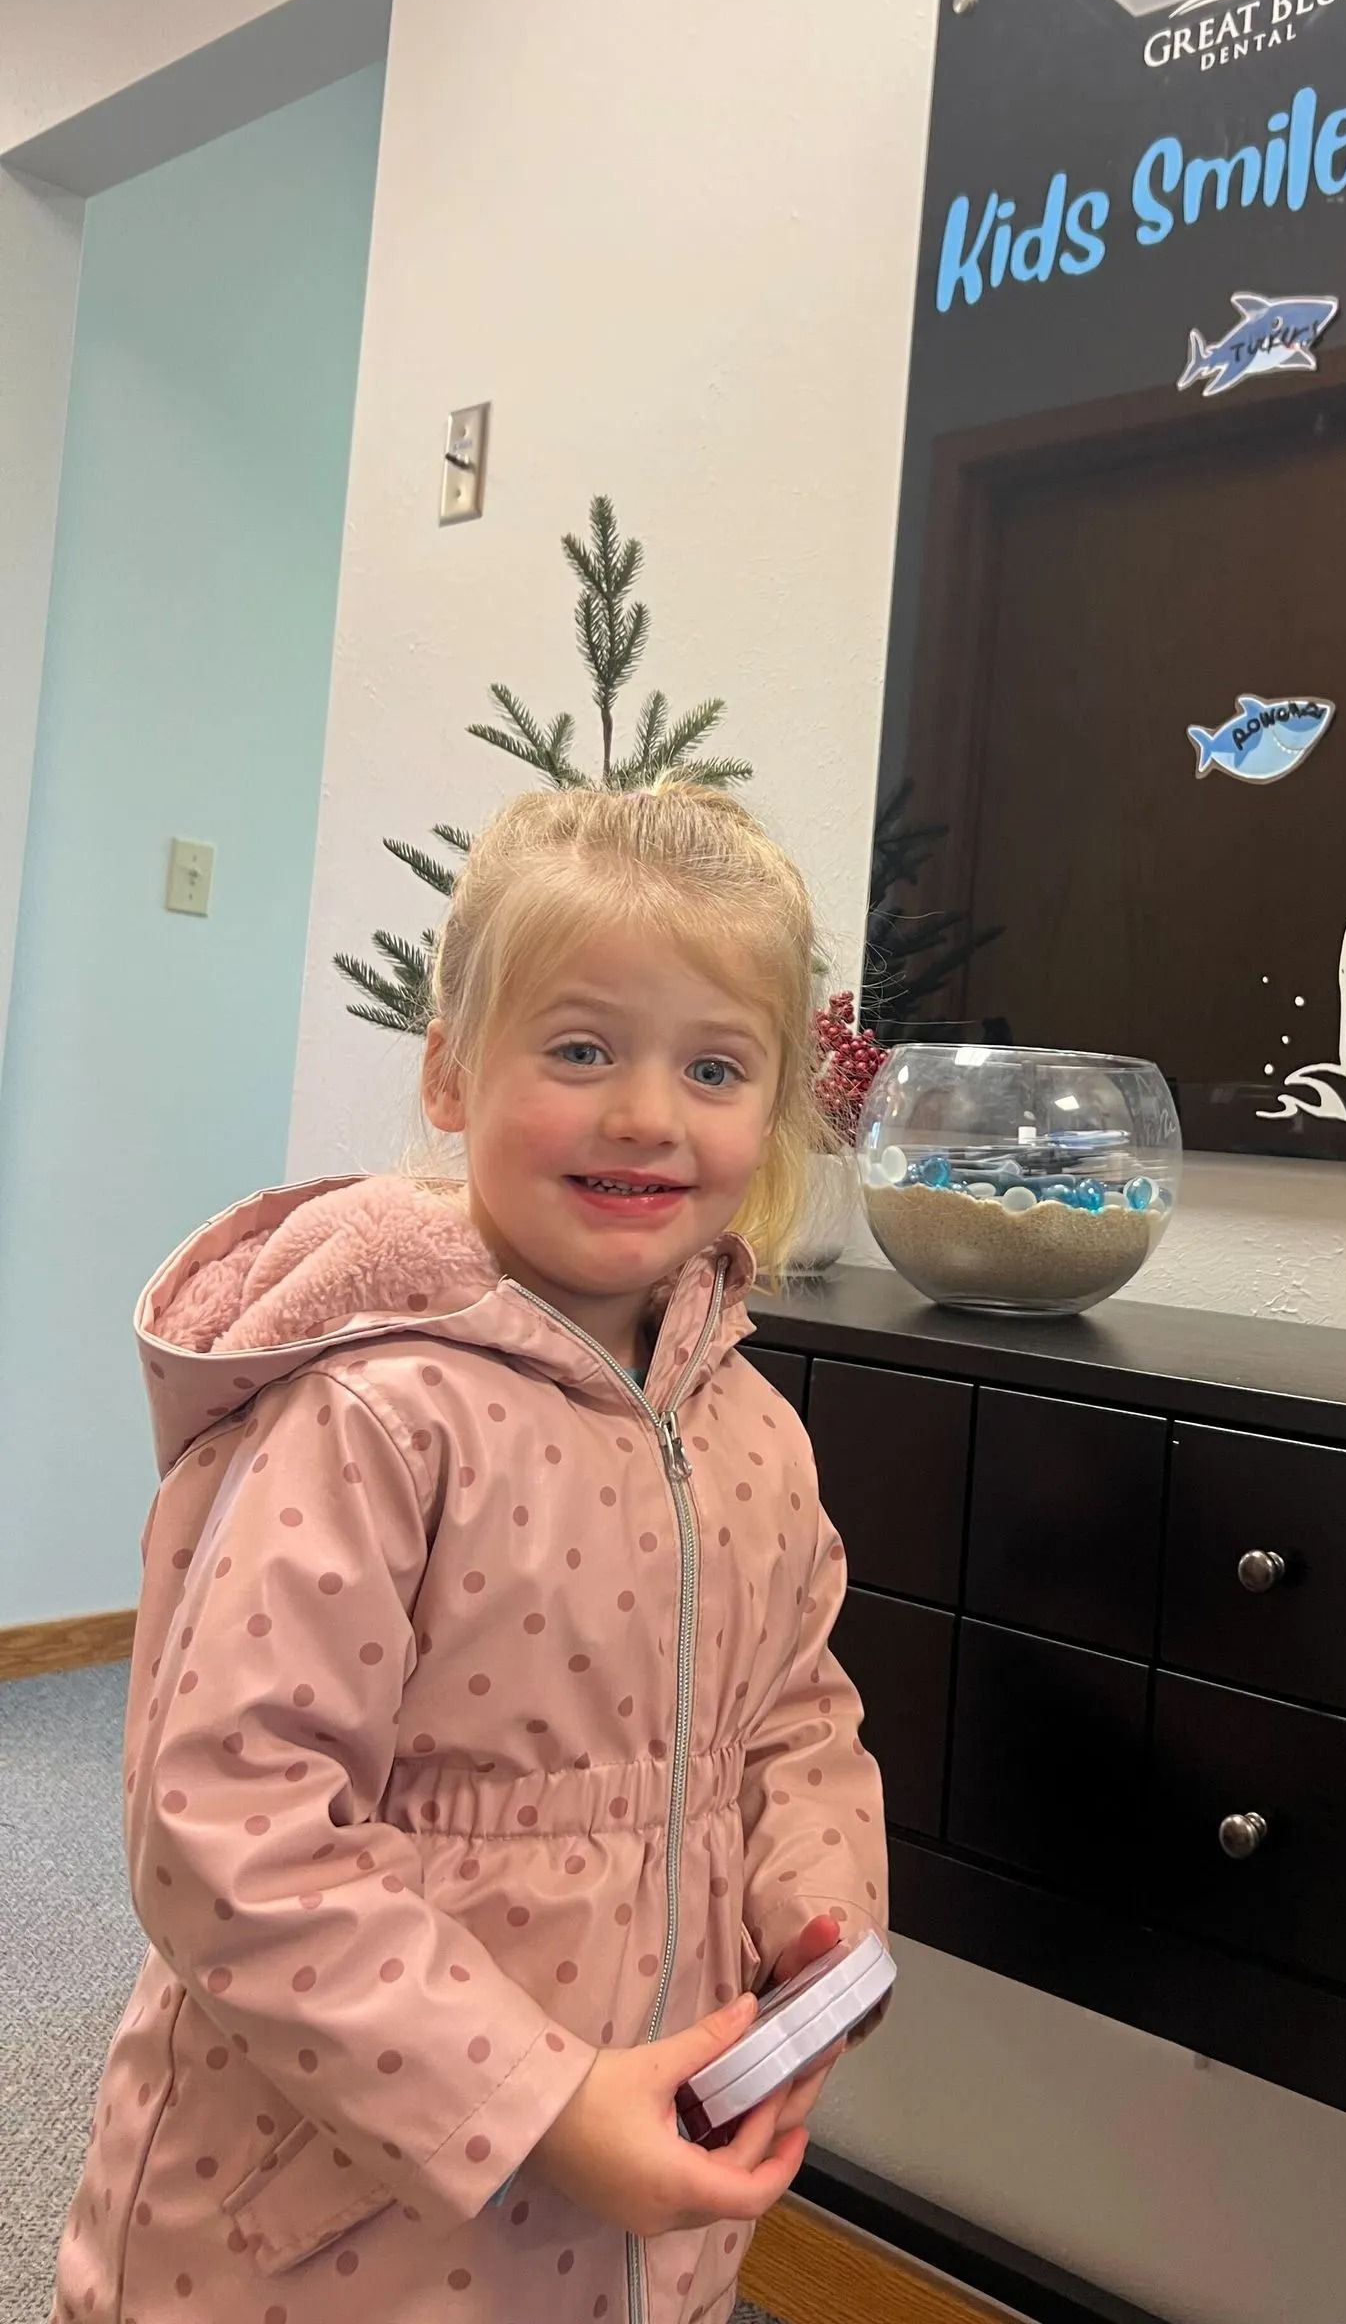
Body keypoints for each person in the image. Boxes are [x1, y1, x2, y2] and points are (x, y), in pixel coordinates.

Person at [52, 782, 889, 2324]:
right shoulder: (374, 1415)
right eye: (581, 1050)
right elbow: (227, 1826)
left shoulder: (756, 1429)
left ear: (772, 1113)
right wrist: (539, 2100)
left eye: (713, 1067)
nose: (646, 1112)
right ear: (450, 1071)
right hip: (332, 2222)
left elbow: (798, 1717)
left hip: (643, 2195)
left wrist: (814, 1920)